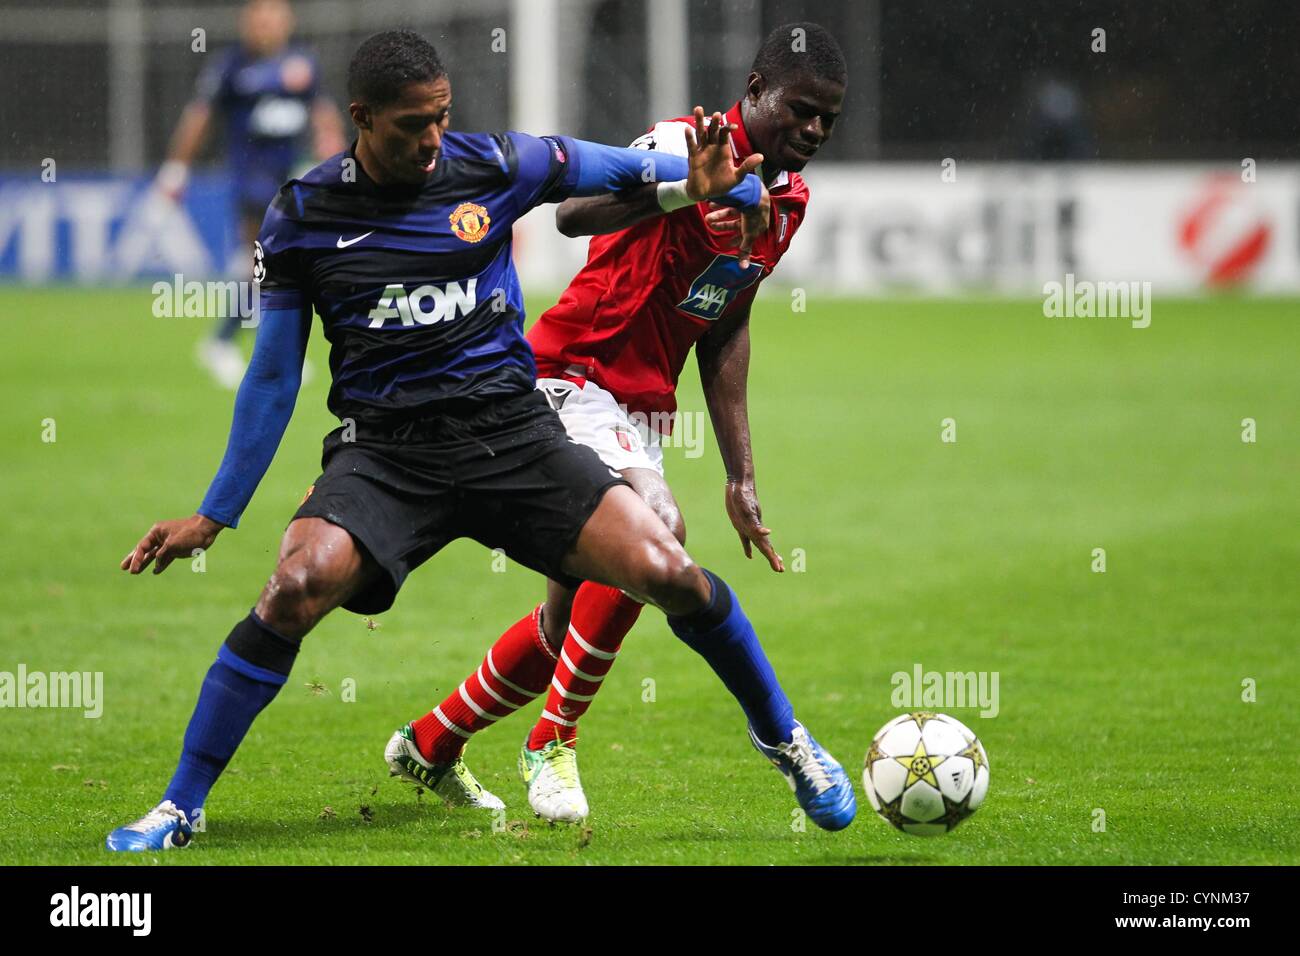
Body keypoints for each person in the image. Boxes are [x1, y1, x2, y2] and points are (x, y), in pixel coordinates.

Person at [106, 29, 853, 852]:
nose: (433, 140)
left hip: (513, 433)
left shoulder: (495, 163)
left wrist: (689, 185)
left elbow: (605, 174)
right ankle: (181, 806)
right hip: (389, 451)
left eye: (442, 118)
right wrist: (216, 515)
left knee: (664, 568)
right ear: (361, 118)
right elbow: (274, 378)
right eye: (412, 125)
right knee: (294, 588)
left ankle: (784, 740)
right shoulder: (304, 216)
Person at [400, 21, 847, 825]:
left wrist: (740, 474)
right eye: (802, 109)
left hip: (638, 409)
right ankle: (554, 741)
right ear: (754, 92)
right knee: (657, 531)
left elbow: (725, 325)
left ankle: (430, 743)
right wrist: (689, 187)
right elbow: (573, 214)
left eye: (828, 120)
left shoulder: (789, 201)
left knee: (564, 623)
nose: (813, 131)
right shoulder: (682, 141)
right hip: (567, 374)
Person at [155, 0, 345, 387]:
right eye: (258, 18)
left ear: (287, 22)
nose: (265, 26)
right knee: (265, 262)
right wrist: (176, 169)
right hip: (251, 181)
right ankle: (228, 343)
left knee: (281, 265)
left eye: (273, 18)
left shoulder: (303, 64)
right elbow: (200, 117)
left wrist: (336, 158)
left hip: (292, 180)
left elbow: (324, 117)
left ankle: (252, 345)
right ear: (246, 23)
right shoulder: (231, 66)